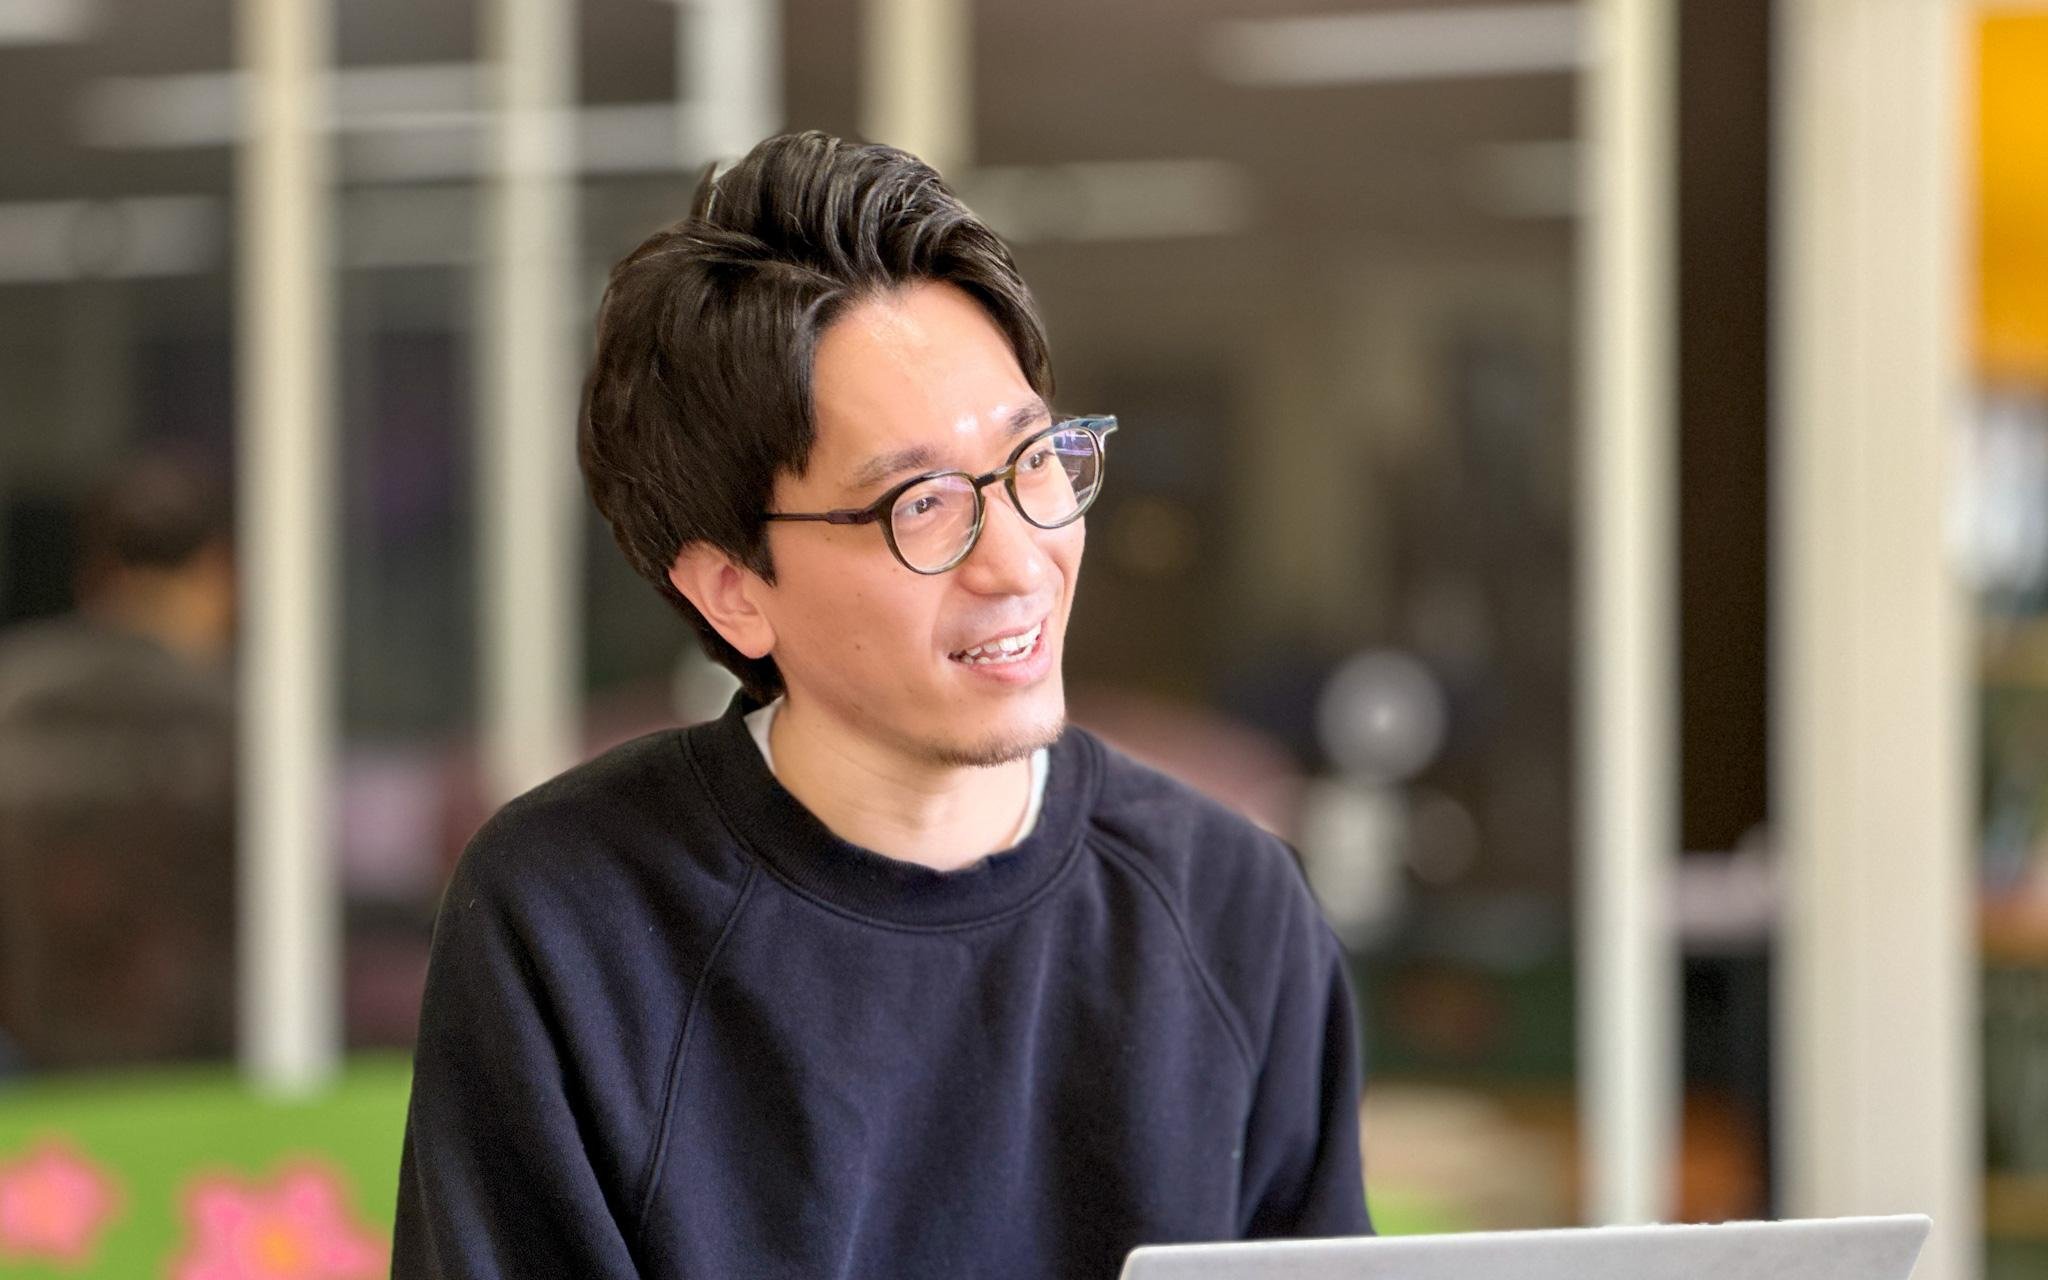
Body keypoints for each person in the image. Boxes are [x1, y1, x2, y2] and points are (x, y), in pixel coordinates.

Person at [393, 130, 1370, 1278]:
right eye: (921, 502)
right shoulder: (572, 921)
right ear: (732, 589)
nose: (1017, 560)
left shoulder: (1229, 905)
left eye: (1035, 460)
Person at [0, 457, 237, 1069]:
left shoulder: (14, 696)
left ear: (96, 572)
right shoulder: (238, 720)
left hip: (40, 1061)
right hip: (206, 1066)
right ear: (217, 570)